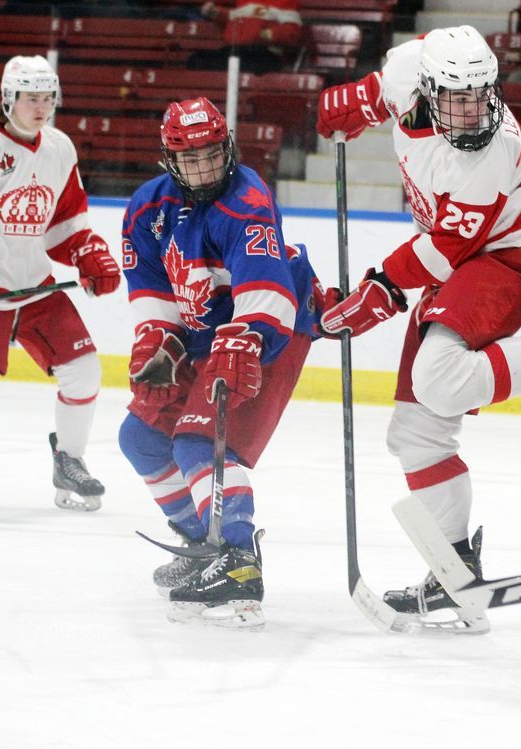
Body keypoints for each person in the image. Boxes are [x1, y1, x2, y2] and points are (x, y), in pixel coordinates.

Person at [316, 25, 521, 632]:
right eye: (457, 98)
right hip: (465, 256)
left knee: (438, 379)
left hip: (512, 253)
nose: (472, 112)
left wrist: (383, 286)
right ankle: (453, 573)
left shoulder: (493, 152)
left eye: (480, 96)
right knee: (416, 434)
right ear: (428, 88)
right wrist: (358, 100)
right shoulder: (408, 71)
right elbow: (385, 83)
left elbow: (444, 249)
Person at [117, 97, 321, 630]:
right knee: (139, 438)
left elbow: (265, 290)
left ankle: (238, 559)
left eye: (212, 154)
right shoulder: (146, 209)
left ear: (227, 148)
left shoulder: (246, 199)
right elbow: (154, 294)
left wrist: (245, 339)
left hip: (270, 331)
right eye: (191, 159)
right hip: (205, 336)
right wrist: (160, 343)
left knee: (199, 443)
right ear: (170, 159)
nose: (205, 169)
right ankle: (201, 545)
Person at [0, 55, 120, 512]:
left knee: (84, 369)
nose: (41, 106)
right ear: (9, 98)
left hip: (34, 288)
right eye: (31, 98)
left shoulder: (60, 148)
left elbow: (65, 220)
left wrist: (87, 252)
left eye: (48, 97)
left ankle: (70, 460)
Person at [192, 0, 304, 74]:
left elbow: (292, 33)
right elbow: (233, 18)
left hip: (263, 54)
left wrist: (263, 35)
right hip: (235, 51)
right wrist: (216, 13)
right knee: (197, 60)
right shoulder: (243, 1)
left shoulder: (286, 1)